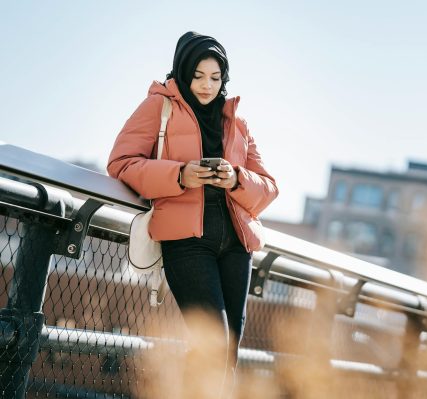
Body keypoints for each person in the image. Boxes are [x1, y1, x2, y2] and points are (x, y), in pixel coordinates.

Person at [107, 32, 278, 395]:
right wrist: (179, 174)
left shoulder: (236, 120)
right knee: (212, 343)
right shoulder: (159, 105)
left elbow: (268, 187)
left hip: (236, 243)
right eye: (199, 75)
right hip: (187, 242)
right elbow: (121, 163)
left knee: (227, 351)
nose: (206, 86)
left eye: (215, 78)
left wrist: (235, 179)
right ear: (183, 71)